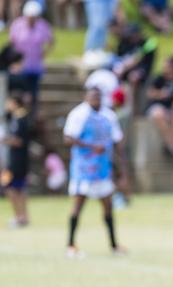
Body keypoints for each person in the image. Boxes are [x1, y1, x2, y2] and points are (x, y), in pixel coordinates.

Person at [63, 87, 127, 258]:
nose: (95, 100)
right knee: (78, 205)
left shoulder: (109, 116)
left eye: (98, 97)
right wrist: (91, 147)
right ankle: (70, 245)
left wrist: (122, 168)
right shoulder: (78, 114)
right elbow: (68, 138)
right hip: (83, 169)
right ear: (86, 97)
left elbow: (117, 140)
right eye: (92, 97)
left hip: (102, 169)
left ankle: (114, 245)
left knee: (108, 206)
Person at [9, 0, 53, 105]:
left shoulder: (43, 25)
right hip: (21, 67)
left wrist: (45, 52)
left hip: (35, 66)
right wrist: (14, 60)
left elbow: (51, 41)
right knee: (20, 95)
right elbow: (11, 43)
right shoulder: (17, 25)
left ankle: (32, 117)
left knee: (34, 95)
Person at [0, 92, 30, 228]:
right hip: (19, 160)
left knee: (7, 186)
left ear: (15, 103)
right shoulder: (18, 118)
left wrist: (4, 140)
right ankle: (23, 217)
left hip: (17, 160)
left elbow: (19, 141)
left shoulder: (20, 119)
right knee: (20, 188)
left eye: (9, 102)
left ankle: (19, 217)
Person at [146, 55, 173, 156]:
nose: (164, 67)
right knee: (159, 114)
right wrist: (160, 94)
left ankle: (170, 144)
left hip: (170, 109)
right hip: (156, 107)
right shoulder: (158, 79)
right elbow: (150, 94)